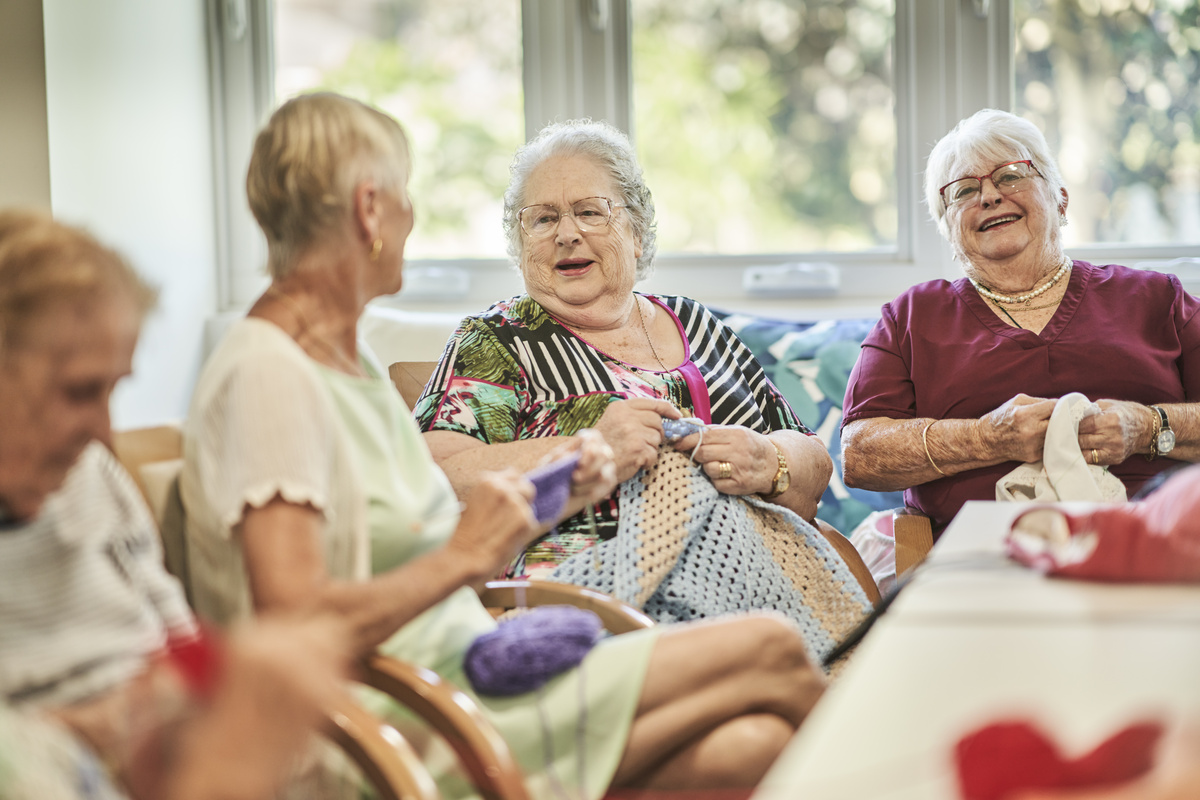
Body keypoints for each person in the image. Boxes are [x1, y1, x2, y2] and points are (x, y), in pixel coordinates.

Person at [180, 93, 827, 800]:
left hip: (468, 664)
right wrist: (468, 555)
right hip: (412, 711)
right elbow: (295, 628)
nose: (410, 217)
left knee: (751, 748)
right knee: (772, 647)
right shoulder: (268, 374)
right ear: (370, 208)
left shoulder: (349, 361)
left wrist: (566, 482)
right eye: (403, 196)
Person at [0, 210, 349, 800]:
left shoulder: (91, 474)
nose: (104, 435)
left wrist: (222, 681)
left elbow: (176, 635)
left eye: (114, 389)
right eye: (80, 391)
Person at [413, 119, 833, 579]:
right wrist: (588, 450)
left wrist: (771, 461)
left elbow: (812, 460)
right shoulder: (497, 340)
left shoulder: (695, 323)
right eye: (544, 218)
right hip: (589, 599)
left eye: (590, 212)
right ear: (520, 243)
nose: (566, 233)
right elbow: (431, 479)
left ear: (635, 232)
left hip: (758, 582)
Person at [841, 108, 1200, 537]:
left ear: (1060, 198)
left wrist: (1147, 427)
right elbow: (859, 456)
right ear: (948, 229)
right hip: (981, 559)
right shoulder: (911, 317)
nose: (989, 196)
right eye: (963, 190)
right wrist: (987, 438)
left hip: (1157, 540)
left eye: (1011, 176)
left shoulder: (1157, 298)